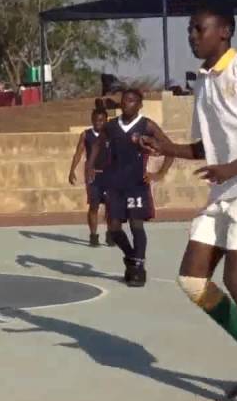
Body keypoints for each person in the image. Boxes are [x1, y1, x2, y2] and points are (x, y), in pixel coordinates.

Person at [139, 3, 237, 401]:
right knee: (193, 280)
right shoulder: (203, 83)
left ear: (225, 31)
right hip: (224, 190)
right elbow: (204, 147)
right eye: (190, 30)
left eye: (200, 28)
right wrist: (167, 149)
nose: (192, 36)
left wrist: (235, 167)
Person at [90, 89, 172, 286]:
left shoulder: (147, 125)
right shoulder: (111, 126)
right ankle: (131, 257)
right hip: (114, 183)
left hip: (136, 184)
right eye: (124, 100)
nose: (126, 103)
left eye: (131, 101)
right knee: (115, 228)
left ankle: (138, 269)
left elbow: (170, 148)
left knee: (136, 225)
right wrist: (91, 166)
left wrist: (159, 173)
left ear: (140, 105)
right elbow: (97, 145)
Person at [68, 108, 110, 247]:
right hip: (93, 175)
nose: (98, 123)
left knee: (111, 206)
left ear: (106, 120)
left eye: (101, 120)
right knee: (94, 206)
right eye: (96, 120)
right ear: (92, 120)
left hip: (109, 174)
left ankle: (111, 234)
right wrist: (72, 170)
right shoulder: (86, 135)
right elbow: (78, 153)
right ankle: (93, 235)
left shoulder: (111, 135)